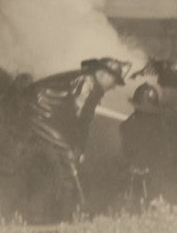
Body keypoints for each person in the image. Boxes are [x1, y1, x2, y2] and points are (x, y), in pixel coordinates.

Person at [22, 57, 129, 223]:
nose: (114, 86)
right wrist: (72, 149)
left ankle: (66, 211)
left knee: (67, 156)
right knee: (65, 158)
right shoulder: (86, 82)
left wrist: (80, 149)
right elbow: (76, 115)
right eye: (114, 80)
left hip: (46, 114)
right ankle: (67, 215)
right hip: (41, 112)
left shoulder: (93, 87)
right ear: (102, 74)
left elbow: (84, 121)